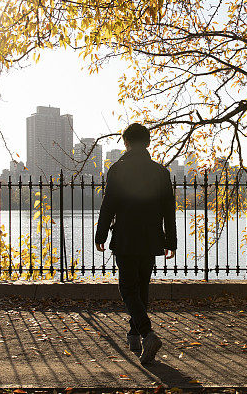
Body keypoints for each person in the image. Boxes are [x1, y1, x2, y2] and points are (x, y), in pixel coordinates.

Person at [95, 123, 177, 364]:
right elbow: (168, 210)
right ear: (148, 143)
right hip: (151, 238)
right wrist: (170, 240)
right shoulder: (160, 172)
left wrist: (100, 236)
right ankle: (134, 335)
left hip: (126, 237)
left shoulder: (118, 169)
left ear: (126, 143)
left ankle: (147, 333)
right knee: (141, 287)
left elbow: (108, 205)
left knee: (127, 288)